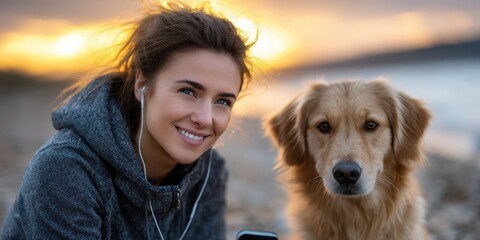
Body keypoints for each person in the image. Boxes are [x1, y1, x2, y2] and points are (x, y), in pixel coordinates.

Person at [1, 2, 255, 239]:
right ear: (142, 84)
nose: (204, 119)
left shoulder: (207, 171)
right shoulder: (64, 171)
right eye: (188, 91)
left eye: (222, 101)